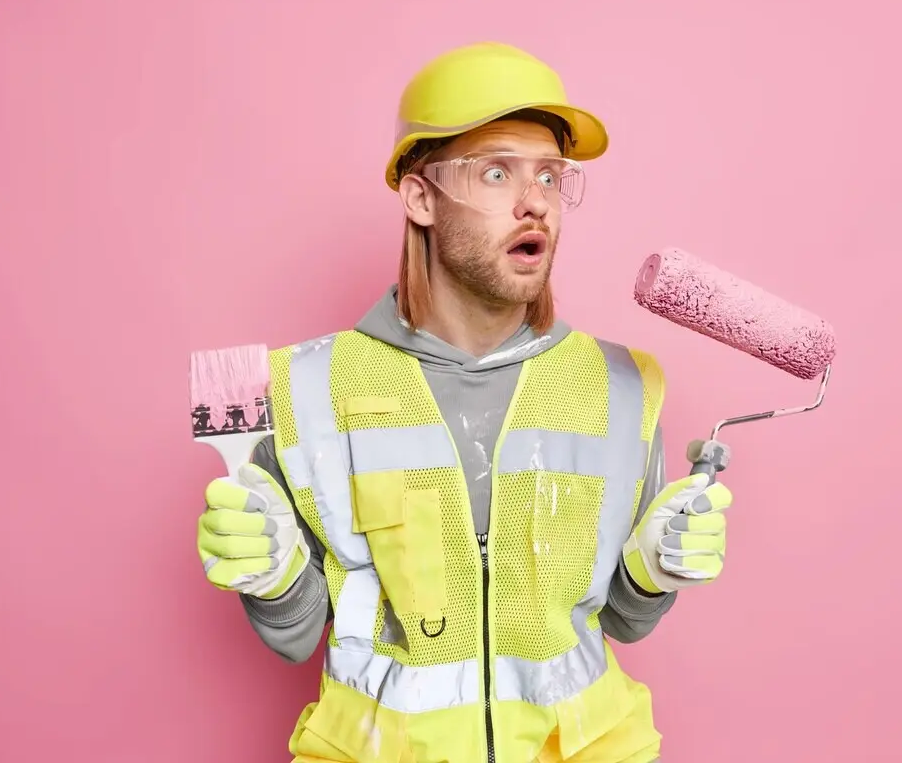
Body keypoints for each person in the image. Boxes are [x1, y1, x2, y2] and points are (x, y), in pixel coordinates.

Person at [193, 41, 733, 763]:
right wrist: (274, 576)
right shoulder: (306, 390)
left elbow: (624, 623)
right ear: (421, 197)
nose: (535, 200)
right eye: (496, 172)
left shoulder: (620, 389)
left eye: (550, 175)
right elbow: (296, 636)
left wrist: (653, 572)